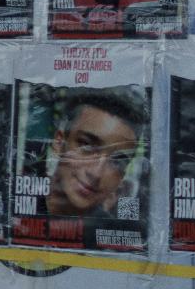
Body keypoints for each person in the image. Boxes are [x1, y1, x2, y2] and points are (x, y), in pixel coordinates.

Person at [41, 89, 143, 220]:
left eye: (117, 161)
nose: (96, 173)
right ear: (59, 142)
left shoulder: (116, 229)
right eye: (87, 145)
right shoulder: (17, 205)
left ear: (121, 177)